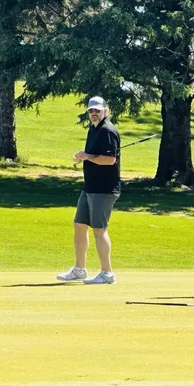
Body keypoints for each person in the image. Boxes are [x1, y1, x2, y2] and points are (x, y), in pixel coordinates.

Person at [57, 96, 121, 285]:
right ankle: (80, 270)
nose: (94, 114)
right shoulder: (93, 129)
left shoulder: (107, 131)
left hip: (104, 188)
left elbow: (109, 160)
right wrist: (85, 157)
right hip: (90, 187)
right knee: (79, 224)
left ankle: (107, 274)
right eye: (91, 111)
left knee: (99, 230)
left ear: (105, 111)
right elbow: (96, 155)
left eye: (97, 111)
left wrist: (87, 156)